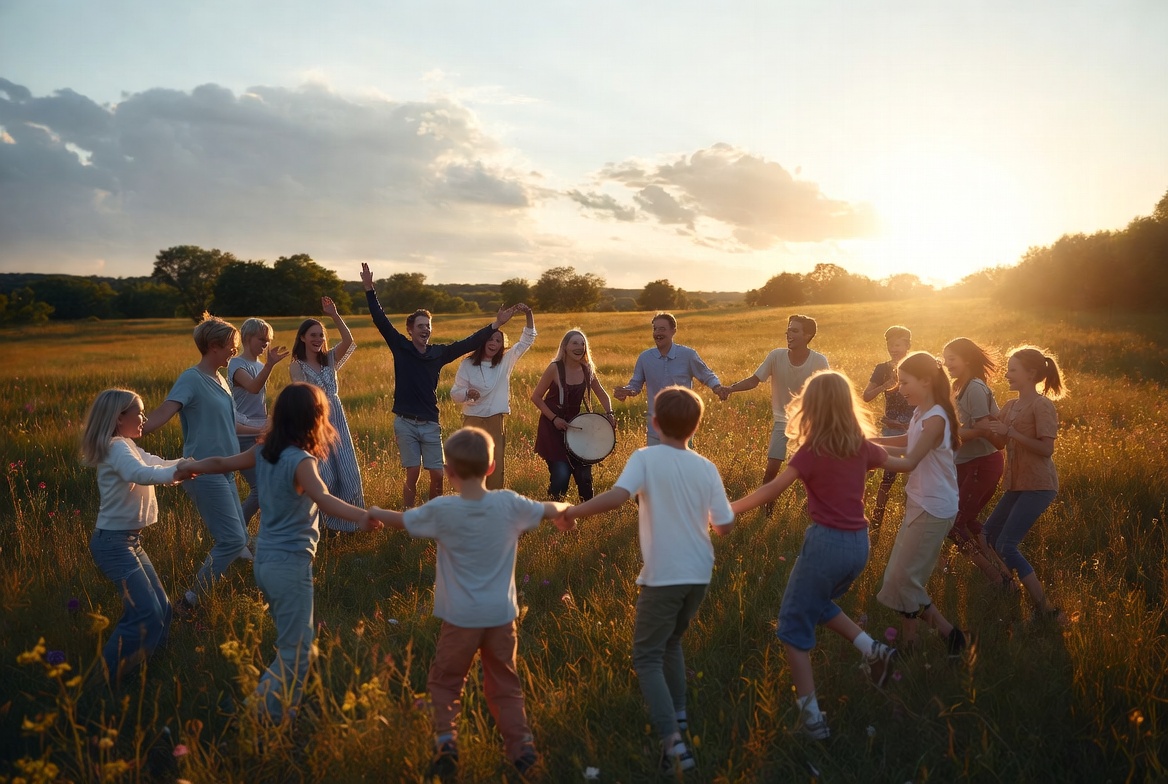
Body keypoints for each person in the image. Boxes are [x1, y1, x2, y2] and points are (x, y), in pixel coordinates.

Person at [368, 428, 568, 778]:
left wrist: (373, 513)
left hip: (460, 618)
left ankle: (446, 743)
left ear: (449, 472)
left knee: (445, 682)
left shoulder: (443, 509)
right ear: (492, 467)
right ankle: (522, 750)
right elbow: (549, 508)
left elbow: (402, 521)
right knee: (505, 685)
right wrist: (566, 509)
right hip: (501, 618)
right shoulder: (508, 504)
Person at [175, 383, 381, 724]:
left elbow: (222, 462)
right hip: (289, 564)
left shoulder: (264, 452)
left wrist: (191, 466)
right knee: (297, 650)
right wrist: (362, 516)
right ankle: (265, 715)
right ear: (314, 420)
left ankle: (281, 709)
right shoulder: (301, 461)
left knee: (292, 642)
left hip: (265, 561)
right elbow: (324, 499)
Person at [556, 387, 734, 775]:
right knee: (671, 641)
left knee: (647, 656)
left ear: (655, 424)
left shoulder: (646, 457)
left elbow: (618, 497)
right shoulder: (706, 467)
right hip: (699, 574)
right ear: (696, 426)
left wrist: (574, 511)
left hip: (666, 574)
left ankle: (674, 747)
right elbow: (724, 523)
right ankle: (681, 719)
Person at [730, 371, 900, 740]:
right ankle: (873, 650)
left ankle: (812, 721)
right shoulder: (860, 445)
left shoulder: (812, 451)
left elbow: (773, 488)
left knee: (793, 626)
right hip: (859, 545)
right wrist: (930, 444)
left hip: (826, 544)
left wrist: (729, 510)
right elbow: (900, 463)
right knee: (816, 602)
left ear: (811, 407)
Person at [361, 263, 515, 507]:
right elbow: (380, 320)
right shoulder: (400, 348)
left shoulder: (438, 353)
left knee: (437, 474)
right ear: (410, 330)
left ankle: (434, 515)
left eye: (428, 326)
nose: (425, 329)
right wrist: (370, 290)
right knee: (412, 471)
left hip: (430, 423)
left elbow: (468, 343)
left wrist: (496, 325)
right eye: (420, 326)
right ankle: (409, 516)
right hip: (405, 421)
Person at [143, 314, 261, 610]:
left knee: (241, 536)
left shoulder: (220, 379)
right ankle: (189, 601)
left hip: (226, 469)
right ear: (213, 347)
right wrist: (127, 431)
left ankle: (255, 581)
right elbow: (162, 414)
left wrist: (263, 430)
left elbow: (229, 423)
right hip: (202, 471)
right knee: (233, 541)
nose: (234, 351)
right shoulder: (191, 379)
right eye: (231, 346)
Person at [81, 389, 189, 688]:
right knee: (146, 612)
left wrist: (186, 463)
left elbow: (154, 461)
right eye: (138, 413)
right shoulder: (116, 447)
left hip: (128, 542)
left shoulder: (125, 444)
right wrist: (180, 472)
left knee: (162, 610)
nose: (144, 418)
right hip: (114, 545)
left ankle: (147, 669)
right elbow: (140, 474)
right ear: (119, 418)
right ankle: (99, 684)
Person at [873, 352, 966, 656]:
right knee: (899, 577)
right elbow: (907, 441)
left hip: (934, 508)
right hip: (920, 502)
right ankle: (912, 643)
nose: (899, 388)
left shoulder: (937, 418)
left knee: (905, 579)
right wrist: (871, 441)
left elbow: (911, 460)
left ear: (926, 381)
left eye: (904, 381)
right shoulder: (921, 412)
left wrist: (867, 458)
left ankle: (950, 635)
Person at [982, 346, 1069, 625]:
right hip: (1016, 484)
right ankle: (1013, 589)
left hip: (1039, 485)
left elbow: (1046, 450)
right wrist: (989, 428)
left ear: (1031, 374)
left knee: (1007, 544)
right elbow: (999, 443)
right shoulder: (1010, 406)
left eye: (1012, 370)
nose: (1007, 375)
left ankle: (1046, 610)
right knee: (988, 535)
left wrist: (1011, 432)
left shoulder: (1041, 405)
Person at [722, 314, 830, 494]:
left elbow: (828, 392)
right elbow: (754, 380)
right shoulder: (776, 356)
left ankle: (811, 510)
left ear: (807, 335)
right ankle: (766, 510)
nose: (788, 334)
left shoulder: (819, 361)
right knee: (771, 470)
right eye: (788, 330)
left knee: (812, 473)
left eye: (794, 330)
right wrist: (730, 389)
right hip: (782, 422)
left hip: (811, 424)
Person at [942, 337, 1014, 587]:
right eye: (945, 359)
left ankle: (996, 578)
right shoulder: (960, 386)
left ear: (967, 360)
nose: (946, 363)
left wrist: (952, 433)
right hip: (968, 463)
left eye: (951, 358)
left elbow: (983, 428)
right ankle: (1003, 569)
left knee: (953, 524)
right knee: (969, 521)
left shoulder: (973, 387)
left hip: (981, 464)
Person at [290, 297, 363, 532]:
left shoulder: (330, 359)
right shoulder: (297, 365)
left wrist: (334, 315)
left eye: (321, 335)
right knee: (325, 475)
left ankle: (348, 527)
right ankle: (319, 524)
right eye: (312, 335)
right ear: (302, 337)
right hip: (315, 423)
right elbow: (302, 397)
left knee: (348, 473)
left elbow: (349, 340)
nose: (318, 340)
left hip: (337, 421)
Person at [450, 303, 536, 489]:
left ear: (501, 345)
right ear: (482, 342)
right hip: (472, 419)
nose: (493, 343)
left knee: (495, 463)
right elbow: (455, 394)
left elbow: (527, 340)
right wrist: (467, 393)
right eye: (490, 339)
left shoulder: (506, 361)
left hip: (495, 419)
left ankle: (493, 501)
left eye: (498, 341)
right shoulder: (467, 364)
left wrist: (528, 314)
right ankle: (471, 498)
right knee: (471, 462)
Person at [613, 312, 725, 445]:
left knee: (681, 464)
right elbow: (635, 384)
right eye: (655, 329)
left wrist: (718, 388)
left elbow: (707, 375)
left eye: (662, 329)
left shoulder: (688, 355)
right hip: (656, 427)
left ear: (673, 331)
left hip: (682, 426)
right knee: (656, 465)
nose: (657, 333)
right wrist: (626, 391)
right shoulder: (645, 358)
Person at [530, 329, 615, 501]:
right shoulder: (554, 368)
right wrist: (554, 419)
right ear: (565, 347)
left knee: (584, 476)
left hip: (576, 427)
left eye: (582, 343)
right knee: (561, 474)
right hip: (552, 427)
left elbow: (602, 394)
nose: (580, 347)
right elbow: (536, 397)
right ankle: (553, 510)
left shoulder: (587, 369)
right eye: (575, 343)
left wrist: (610, 414)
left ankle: (588, 514)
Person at [229, 317, 290, 525]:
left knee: (271, 484)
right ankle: (237, 533)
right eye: (261, 339)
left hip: (260, 431)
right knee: (260, 488)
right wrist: (270, 365)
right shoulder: (236, 364)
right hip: (242, 433)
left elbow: (258, 400)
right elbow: (253, 387)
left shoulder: (259, 364)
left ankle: (264, 531)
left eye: (268, 340)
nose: (265, 344)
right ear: (247, 337)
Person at [862, 325, 914, 528]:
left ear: (908, 345)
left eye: (898, 344)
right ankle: (876, 522)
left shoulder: (916, 365)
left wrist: (907, 423)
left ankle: (909, 522)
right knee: (886, 478)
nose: (893, 348)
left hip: (913, 429)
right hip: (890, 430)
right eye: (890, 345)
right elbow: (866, 396)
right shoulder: (882, 369)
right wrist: (887, 384)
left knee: (913, 480)